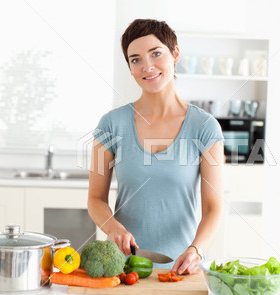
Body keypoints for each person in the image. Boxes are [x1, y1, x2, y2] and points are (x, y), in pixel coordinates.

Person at [88, 19, 224, 275]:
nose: (147, 66)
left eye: (156, 53)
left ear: (175, 55)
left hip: (182, 268)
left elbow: (214, 208)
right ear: (130, 68)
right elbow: (95, 199)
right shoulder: (109, 124)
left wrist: (197, 250)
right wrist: (113, 228)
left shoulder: (205, 127)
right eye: (136, 59)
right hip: (122, 268)